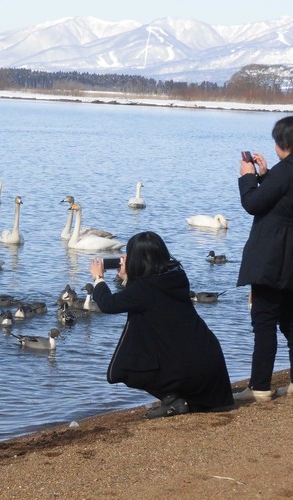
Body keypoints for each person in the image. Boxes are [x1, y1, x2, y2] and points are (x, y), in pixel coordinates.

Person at [89, 231, 234, 419]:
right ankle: (176, 400)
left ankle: (171, 399)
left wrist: (98, 278)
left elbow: (108, 304)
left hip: (184, 369)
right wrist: (129, 276)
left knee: (120, 371)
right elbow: (148, 296)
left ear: (137, 260)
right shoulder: (178, 277)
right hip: (209, 362)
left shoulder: (142, 289)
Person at [234, 116, 293, 402]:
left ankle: (259, 388)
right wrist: (266, 175)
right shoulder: (282, 173)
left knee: (264, 320)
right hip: (289, 259)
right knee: (291, 321)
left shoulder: (286, 171)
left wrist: (247, 177)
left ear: (283, 144)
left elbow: (253, 203)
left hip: (273, 258)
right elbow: (283, 199)